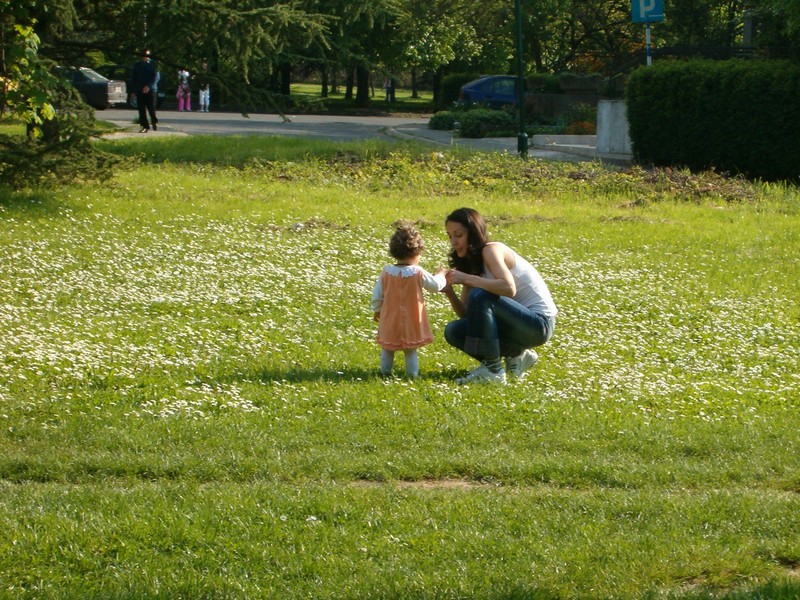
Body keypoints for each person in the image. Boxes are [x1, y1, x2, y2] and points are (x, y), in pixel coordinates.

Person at [441, 208, 557, 384]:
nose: (454, 242)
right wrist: (449, 292)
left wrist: (467, 278)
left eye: (459, 235)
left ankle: (492, 370)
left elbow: (509, 288)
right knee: (454, 331)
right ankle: (516, 354)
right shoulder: (471, 263)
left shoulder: (491, 250)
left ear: (473, 233)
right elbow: (467, 314)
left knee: (480, 294)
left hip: (539, 324)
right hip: (515, 324)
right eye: (450, 236)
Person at [371, 223, 446, 378]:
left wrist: (377, 310)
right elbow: (435, 286)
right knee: (410, 350)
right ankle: (412, 376)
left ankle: (385, 373)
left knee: (387, 348)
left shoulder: (386, 272)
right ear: (416, 253)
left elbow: (377, 295)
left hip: (389, 318)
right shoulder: (417, 272)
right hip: (412, 319)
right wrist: (442, 275)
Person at [131, 49, 158, 133]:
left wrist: (148, 86)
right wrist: (133, 91)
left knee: (151, 108)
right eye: (144, 55)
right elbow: (134, 78)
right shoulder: (137, 64)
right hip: (140, 89)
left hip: (151, 90)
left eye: (147, 55)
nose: (145, 57)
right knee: (141, 109)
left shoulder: (153, 64)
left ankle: (154, 121)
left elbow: (155, 77)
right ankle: (145, 126)